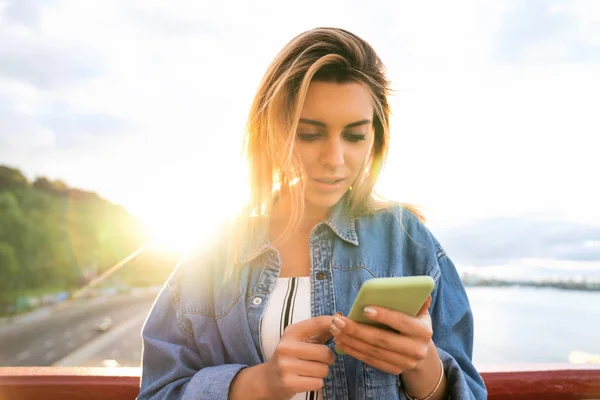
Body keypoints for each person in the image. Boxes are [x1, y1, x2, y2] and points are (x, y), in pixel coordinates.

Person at [138, 27, 487, 400]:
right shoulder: (213, 251)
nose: (334, 160)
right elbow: (158, 391)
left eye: (354, 136)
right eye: (309, 134)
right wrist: (257, 384)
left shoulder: (408, 240)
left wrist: (423, 366)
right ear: (273, 130)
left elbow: (469, 390)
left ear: (376, 139)